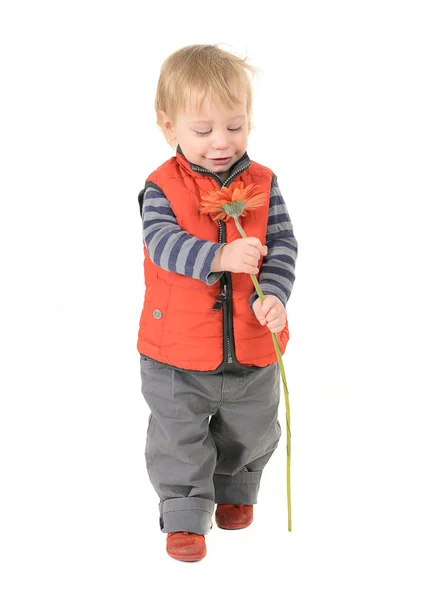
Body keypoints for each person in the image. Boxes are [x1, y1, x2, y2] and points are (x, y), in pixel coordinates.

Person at [137, 44, 298, 562]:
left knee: (251, 426)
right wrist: (221, 254)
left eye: (235, 126)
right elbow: (161, 244)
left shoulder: (264, 183)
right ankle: (185, 513)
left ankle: (235, 488)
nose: (222, 142)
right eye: (203, 131)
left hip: (251, 345)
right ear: (169, 127)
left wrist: (273, 294)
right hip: (176, 352)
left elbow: (282, 247)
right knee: (179, 435)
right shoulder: (161, 186)